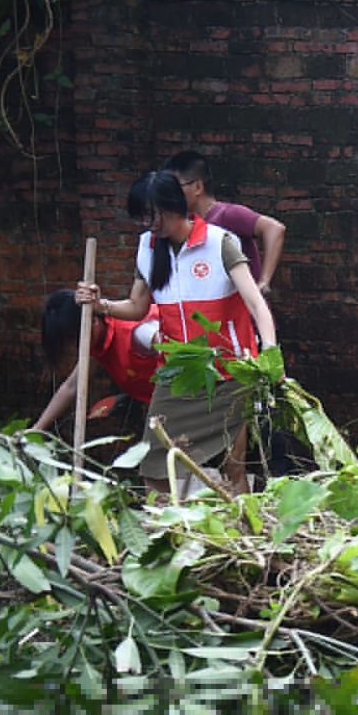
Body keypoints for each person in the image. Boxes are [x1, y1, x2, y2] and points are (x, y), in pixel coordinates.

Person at [75, 170, 279, 493]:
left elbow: (255, 303)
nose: (149, 223)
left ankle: (239, 532)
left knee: (233, 470)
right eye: (142, 216)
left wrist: (269, 351)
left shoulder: (219, 243)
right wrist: (101, 305)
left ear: (174, 205)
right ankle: (172, 532)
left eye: (153, 214)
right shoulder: (147, 248)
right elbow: (137, 307)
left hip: (229, 373)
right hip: (177, 374)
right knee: (154, 468)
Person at [29, 289, 162, 435]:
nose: (75, 348)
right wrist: (37, 428)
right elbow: (71, 386)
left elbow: (173, 349)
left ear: (93, 321)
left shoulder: (136, 332)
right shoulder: (97, 344)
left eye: (74, 340)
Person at [165, 150, 286, 296]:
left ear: (198, 187)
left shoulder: (227, 214)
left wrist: (264, 281)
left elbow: (274, 228)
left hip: (245, 313)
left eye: (175, 188)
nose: (170, 195)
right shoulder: (186, 226)